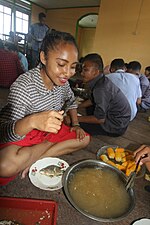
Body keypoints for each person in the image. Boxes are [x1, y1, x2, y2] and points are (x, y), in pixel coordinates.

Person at [0, 30, 90, 185]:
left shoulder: (62, 82)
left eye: (73, 67)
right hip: (23, 132)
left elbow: (71, 99)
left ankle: (37, 158)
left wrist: (75, 124)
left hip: (48, 131)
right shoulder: (23, 86)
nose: (67, 73)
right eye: (61, 64)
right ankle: (47, 146)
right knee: (4, 166)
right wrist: (32, 121)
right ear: (43, 58)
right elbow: (5, 133)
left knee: (84, 139)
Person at [65, 53, 131, 136]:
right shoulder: (101, 81)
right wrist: (76, 107)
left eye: (85, 70)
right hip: (120, 121)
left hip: (115, 127)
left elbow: (100, 119)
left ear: (96, 72)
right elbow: (93, 100)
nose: (81, 73)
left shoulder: (101, 88)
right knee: (87, 107)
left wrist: (74, 118)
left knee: (69, 123)